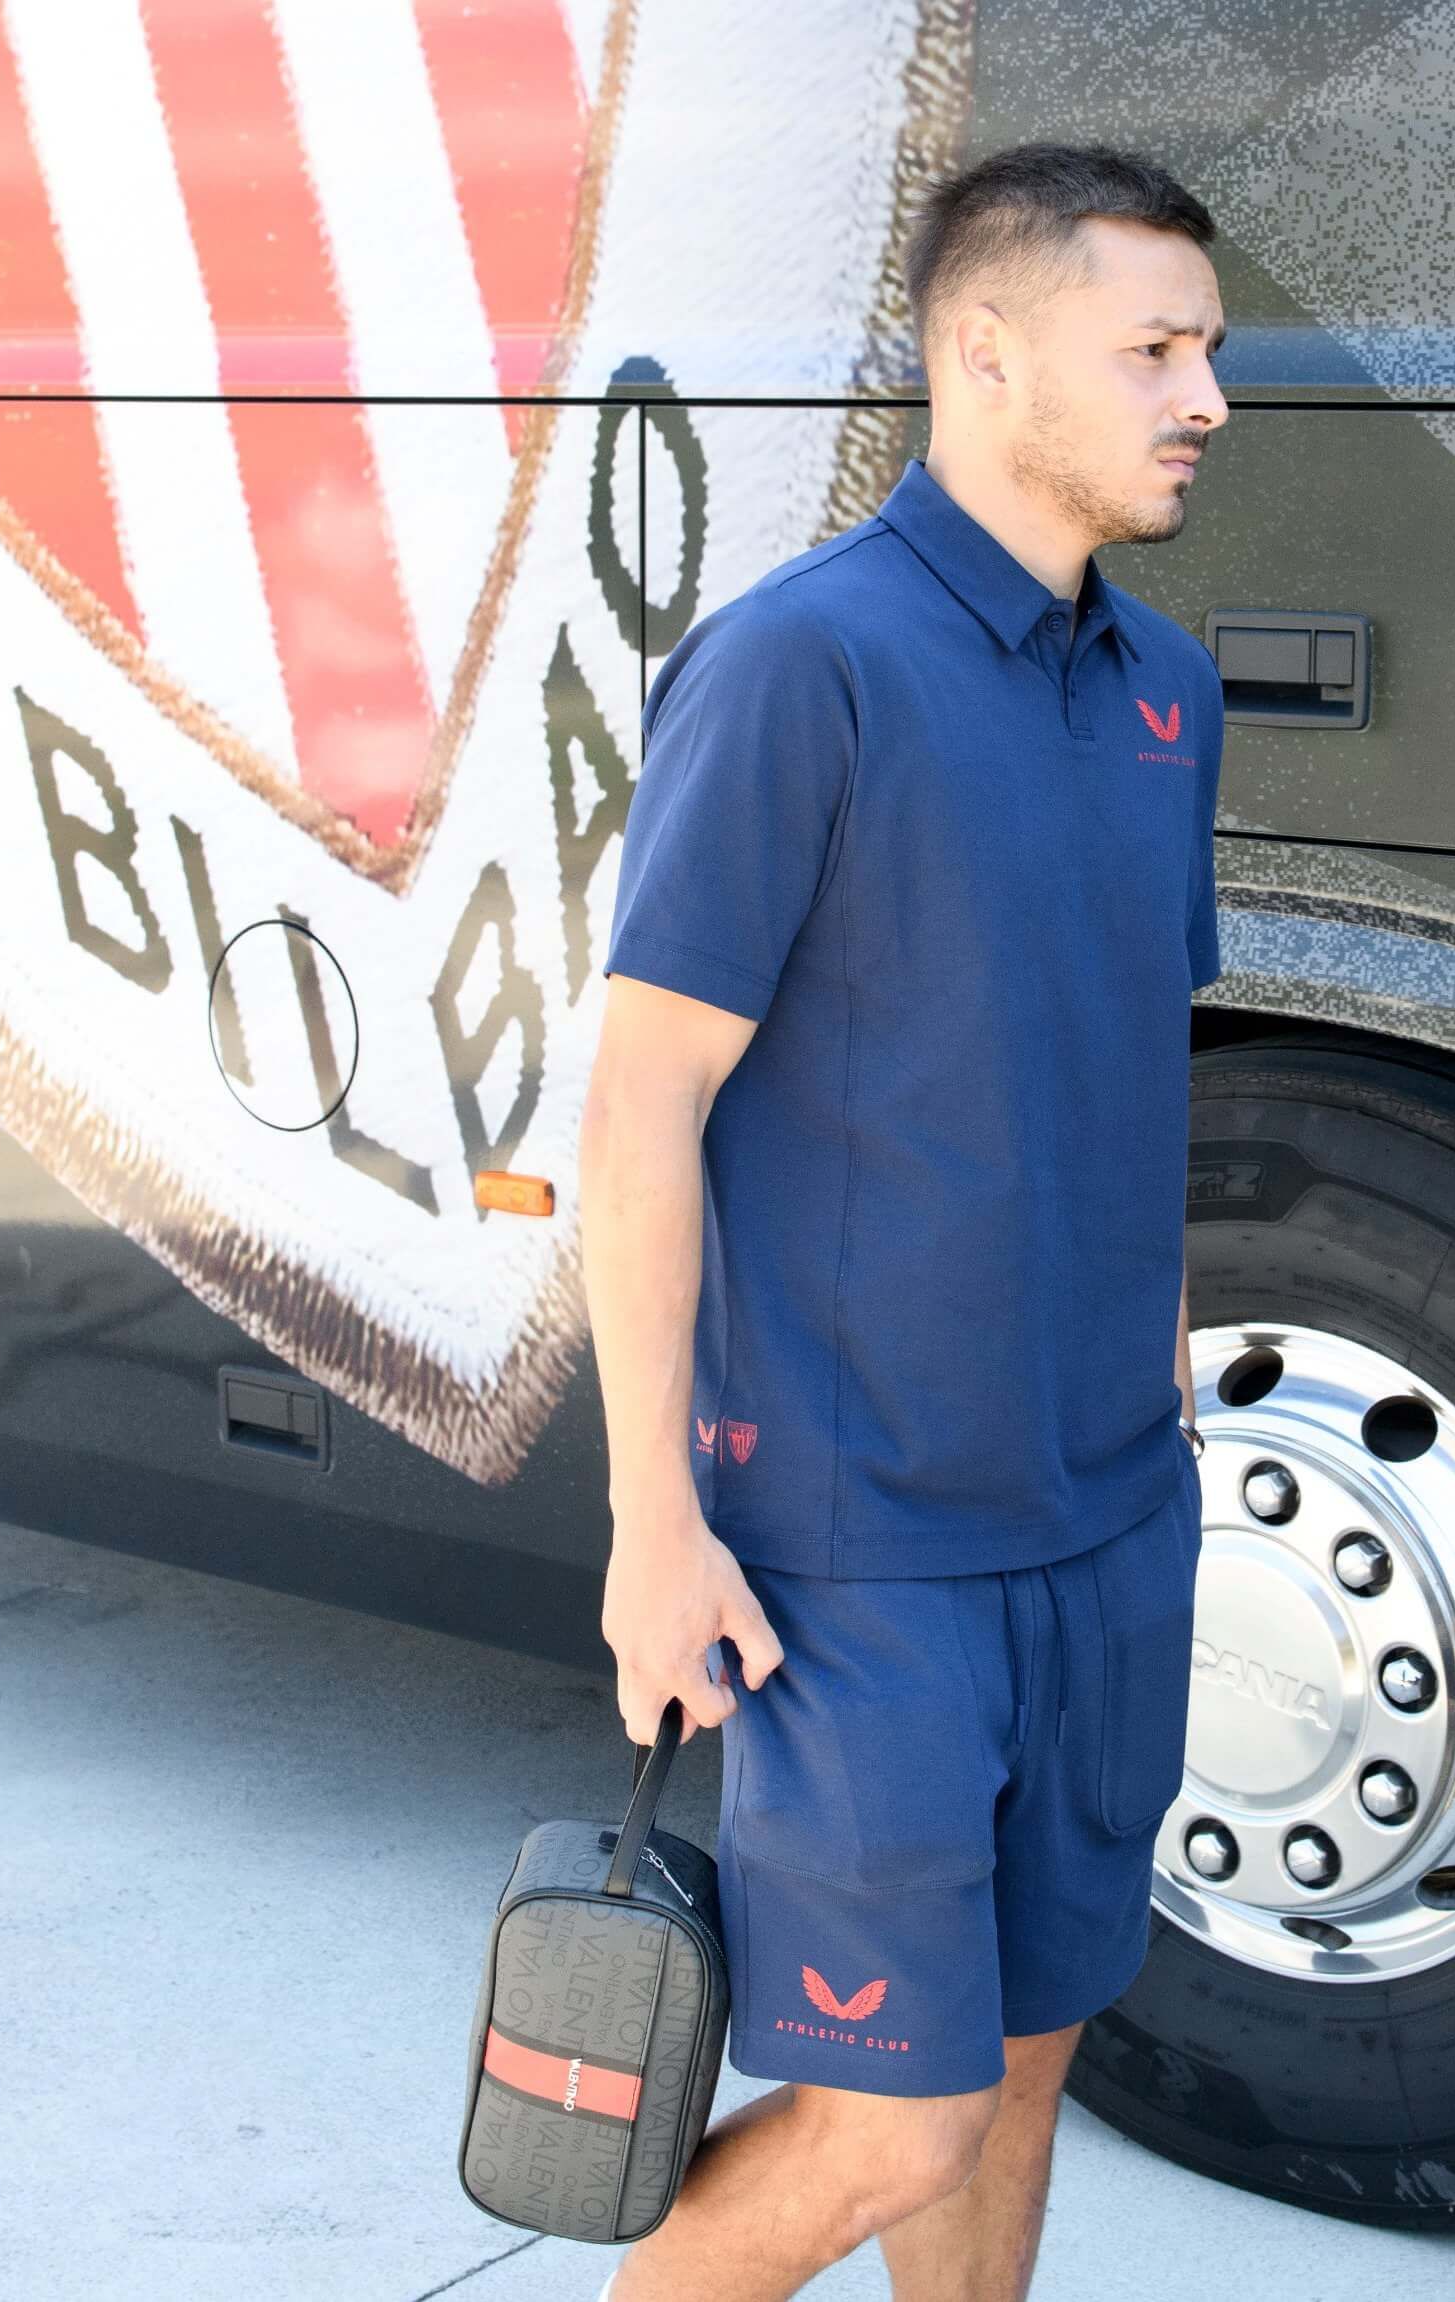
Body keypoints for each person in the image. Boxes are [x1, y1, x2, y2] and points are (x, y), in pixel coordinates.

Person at [576, 143, 1230, 2302]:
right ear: (982, 351)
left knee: (1026, 2059)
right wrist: (650, 1517)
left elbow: (1110, 1044)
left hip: (1106, 1521)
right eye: (1150, 349)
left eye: (1202, 351)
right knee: (893, 2107)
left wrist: (1161, 1361)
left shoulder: (1164, 689)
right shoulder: (800, 667)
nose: (1202, 397)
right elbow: (643, 1100)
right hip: (860, 1551)